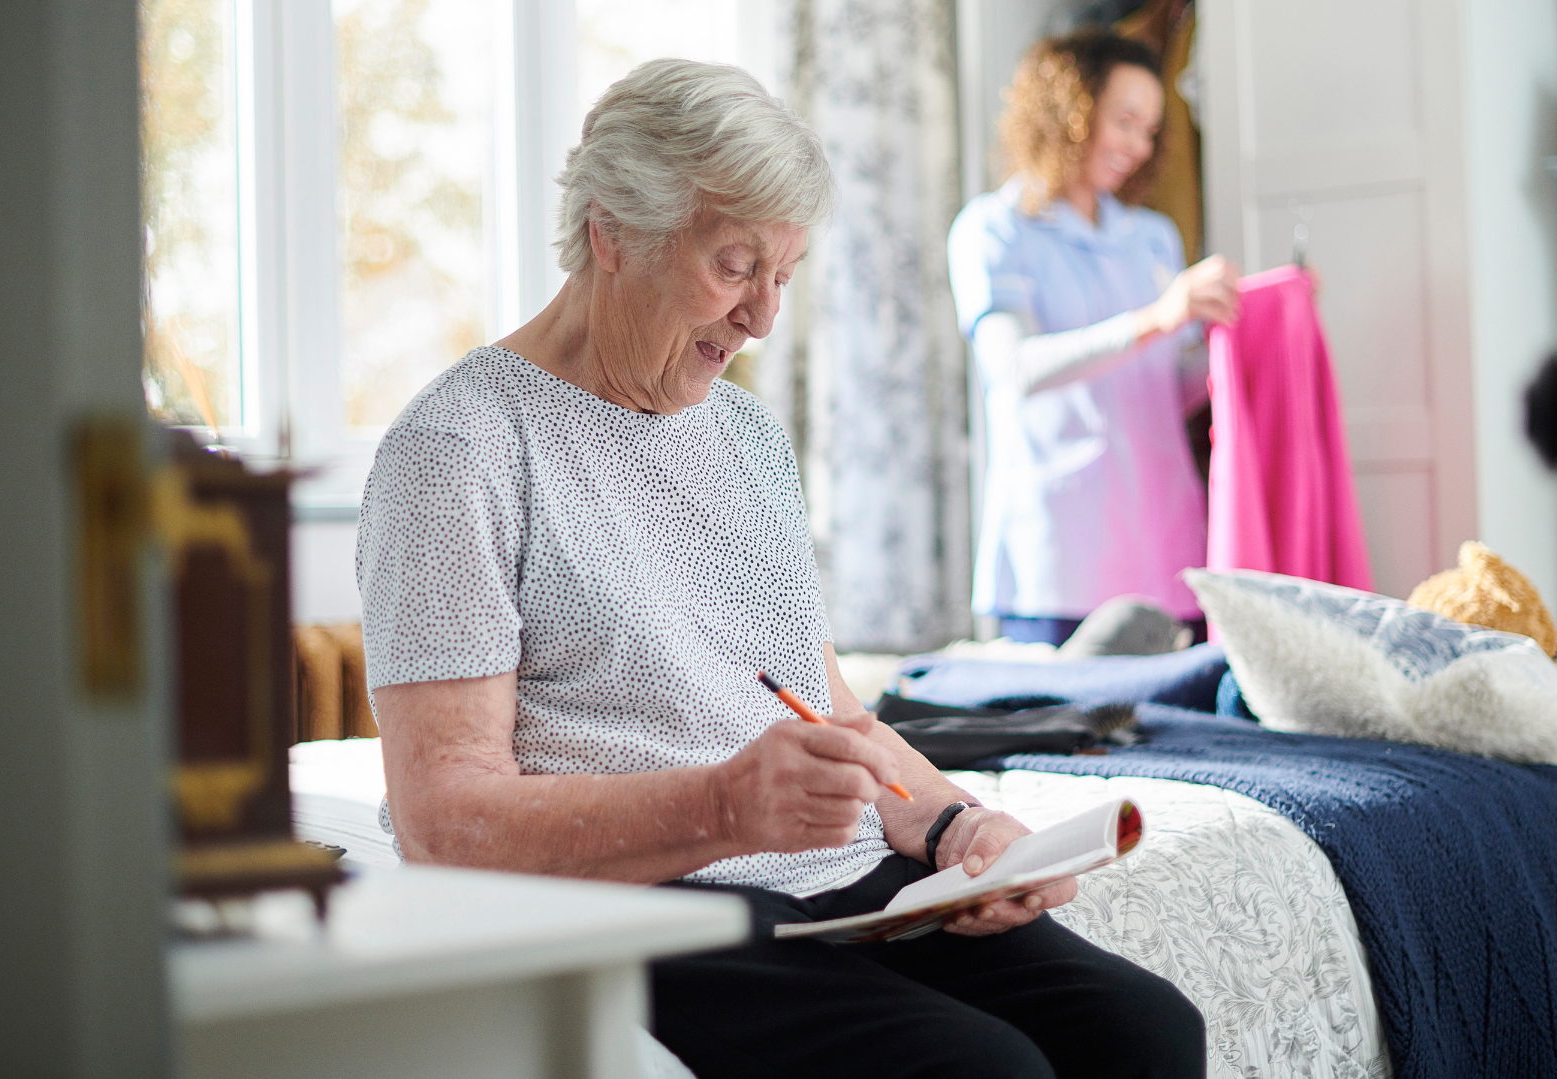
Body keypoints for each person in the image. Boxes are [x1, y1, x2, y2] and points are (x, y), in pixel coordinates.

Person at [358, 58, 1204, 1079]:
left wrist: (954, 828)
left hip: (834, 881)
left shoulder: (750, 435)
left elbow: (825, 704)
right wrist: (720, 805)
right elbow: (444, 817)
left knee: (1148, 1028)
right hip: (637, 899)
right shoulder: (458, 448)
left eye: (784, 276)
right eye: (732, 265)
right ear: (611, 232)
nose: (762, 317)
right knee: (983, 1068)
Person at [949, 30, 1241, 646]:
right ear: (1068, 113)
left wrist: (1251, 337)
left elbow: (1165, 389)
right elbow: (1015, 369)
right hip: (1058, 554)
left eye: (1149, 130)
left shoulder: (1153, 238)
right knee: (1060, 734)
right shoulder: (994, 231)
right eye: (1125, 121)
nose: (1138, 145)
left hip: (1164, 543)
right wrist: (1157, 319)